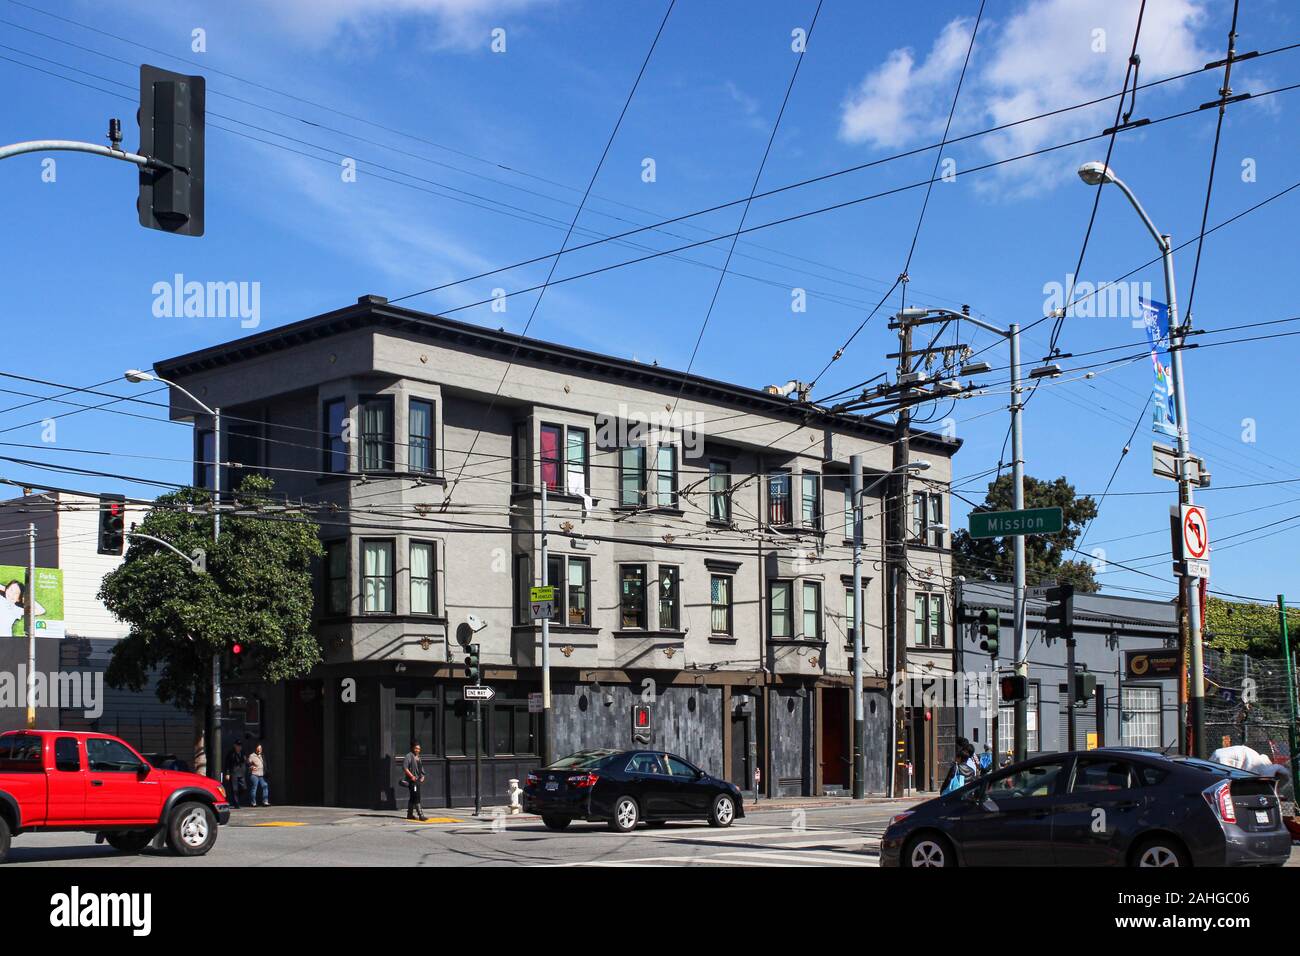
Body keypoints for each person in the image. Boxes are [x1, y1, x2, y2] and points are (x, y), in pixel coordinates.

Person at [403, 742, 427, 821]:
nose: (417, 750)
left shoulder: (418, 757)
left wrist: (423, 776)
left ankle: (409, 814)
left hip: (417, 780)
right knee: (416, 796)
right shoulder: (409, 756)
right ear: (413, 748)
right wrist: (412, 776)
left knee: (413, 797)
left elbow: (421, 768)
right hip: (412, 781)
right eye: (416, 748)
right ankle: (420, 815)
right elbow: (405, 768)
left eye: (419, 749)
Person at [224, 739, 248, 809]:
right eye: (238, 745)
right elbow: (227, 764)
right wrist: (227, 773)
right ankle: (236, 804)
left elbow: (246, 761)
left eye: (240, 746)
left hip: (241, 773)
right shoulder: (231, 753)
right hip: (233, 773)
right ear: (235, 746)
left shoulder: (243, 753)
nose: (239, 747)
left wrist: (250, 766)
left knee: (244, 788)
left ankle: (235, 799)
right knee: (234, 789)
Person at [247, 743, 270, 807]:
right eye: (258, 748)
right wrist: (251, 766)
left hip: (261, 774)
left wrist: (266, 770)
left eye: (261, 748)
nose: (260, 749)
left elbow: (265, 763)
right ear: (256, 749)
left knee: (265, 785)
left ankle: (265, 802)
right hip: (254, 774)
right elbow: (248, 763)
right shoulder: (252, 755)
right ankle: (253, 803)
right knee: (254, 787)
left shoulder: (262, 755)